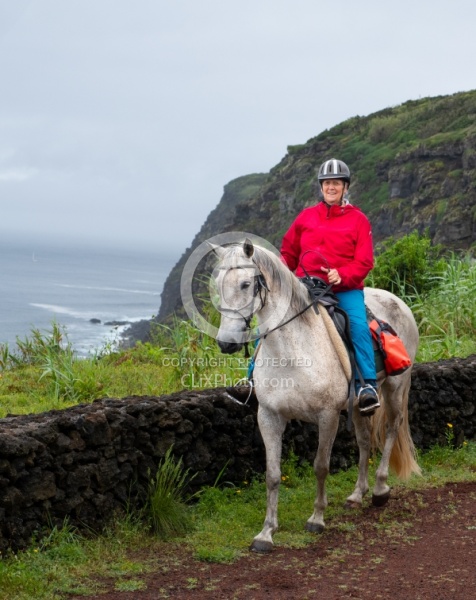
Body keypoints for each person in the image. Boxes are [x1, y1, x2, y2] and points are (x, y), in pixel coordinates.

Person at [280, 158, 380, 416]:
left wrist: (342, 275)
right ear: (321, 187)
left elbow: (365, 261)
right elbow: (288, 252)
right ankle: (251, 379)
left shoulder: (359, 220)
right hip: (305, 285)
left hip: (343, 289)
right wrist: (281, 275)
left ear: (345, 187)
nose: (331, 188)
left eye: (336, 183)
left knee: (357, 325)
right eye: (327, 183)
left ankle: (367, 386)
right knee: (273, 318)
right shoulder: (306, 217)